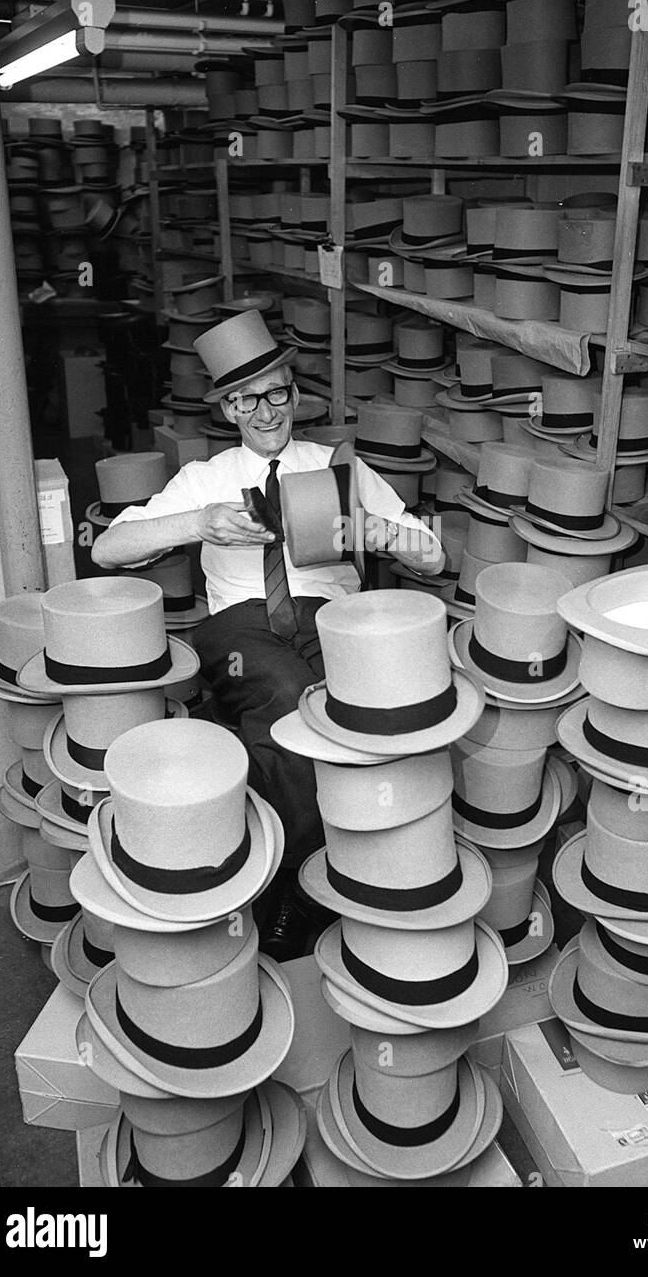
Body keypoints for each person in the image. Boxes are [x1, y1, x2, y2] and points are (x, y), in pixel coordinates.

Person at [92, 318, 444, 959]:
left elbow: (432, 557)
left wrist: (367, 529)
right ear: (228, 407)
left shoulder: (337, 468)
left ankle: (349, 863)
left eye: (276, 393)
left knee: (361, 707)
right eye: (246, 398)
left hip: (336, 621)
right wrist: (199, 523)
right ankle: (295, 888)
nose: (264, 411)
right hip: (241, 626)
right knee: (287, 697)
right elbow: (111, 549)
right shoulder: (207, 478)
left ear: (295, 396)